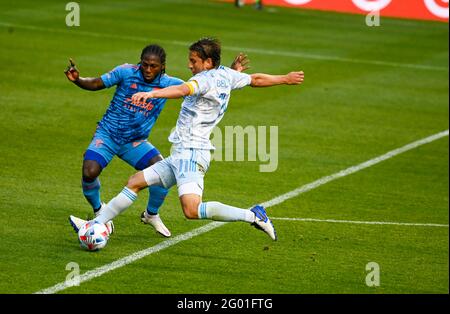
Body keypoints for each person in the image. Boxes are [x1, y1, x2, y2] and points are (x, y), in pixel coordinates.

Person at [70, 37, 304, 241]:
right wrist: (284, 78)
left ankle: (253, 215)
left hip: (192, 153)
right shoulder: (225, 75)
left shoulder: (203, 80)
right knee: (135, 182)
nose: (189, 65)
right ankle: (97, 224)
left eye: (193, 61)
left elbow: (182, 90)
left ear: (208, 62)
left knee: (191, 210)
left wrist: (151, 93)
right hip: (181, 154)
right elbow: (256, 79)